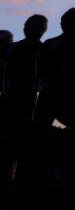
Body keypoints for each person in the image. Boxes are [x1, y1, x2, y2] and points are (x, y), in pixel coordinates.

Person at [33, 8, 75, 178]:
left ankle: (67, 167)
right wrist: (60, 70)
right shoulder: (50, 44)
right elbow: (39, 72)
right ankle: (41, 170)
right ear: (64, 23)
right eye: (74, 21)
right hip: (49, 95)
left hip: (71, 97)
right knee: (39, 134)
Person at [0, 15, 47, 181]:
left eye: (42, 29)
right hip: (9, 97)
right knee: (6, 137)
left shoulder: (45, 50)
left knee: (21, 138)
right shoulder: (9, 48)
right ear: (26, 27)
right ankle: (8, 175)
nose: (39, 31)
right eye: (36, 27)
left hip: (29, 99)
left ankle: (17, 175)